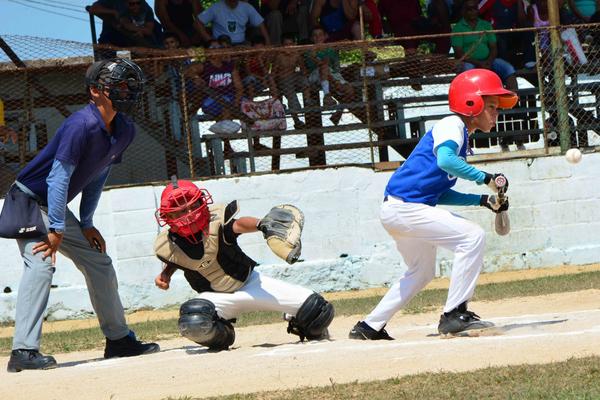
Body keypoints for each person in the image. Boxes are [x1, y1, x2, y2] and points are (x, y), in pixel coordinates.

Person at [3, 58, 160, 373]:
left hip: (54, 207)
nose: (125, 91)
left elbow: (98, 173)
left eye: (129, 85)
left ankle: (118, 340)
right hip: (30, 201)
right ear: (95, 92)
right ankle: (23, 350)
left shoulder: (125, 129)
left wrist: (86, 222)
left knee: (99, 263)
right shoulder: (81, 124)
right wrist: (58, 229)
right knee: (41, 265)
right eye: (117, 85)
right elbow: (57, 179)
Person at [349, 69, 515, 340]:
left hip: (403, 208)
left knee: (422, 272)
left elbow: (437, 194)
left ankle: (369, 326)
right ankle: (454, 315)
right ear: (472, 104)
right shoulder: (453, 125)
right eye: (492, 107)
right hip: (404, 209)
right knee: (472, 237)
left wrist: (483, 200)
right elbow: (446, 162)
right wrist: (485, 178)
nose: (497, 114)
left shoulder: (461, 135)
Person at [153, 179, 334, 350]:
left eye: (192, 207)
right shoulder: (168, 245)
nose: (188, 216)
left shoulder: (216, 224)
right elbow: (177, 259)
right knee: (193, 321)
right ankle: (222, 334)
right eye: (180, 212)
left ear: (202, 204)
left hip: (252, 284)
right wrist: (166, 275)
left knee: (318, 311)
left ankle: (295, 318)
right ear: (168, 217)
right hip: (216, 299)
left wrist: (261, 224)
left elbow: (239, 225)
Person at [304, 27, 355, 125]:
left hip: (330, 74)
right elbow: (321, 64)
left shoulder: (330, 48)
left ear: (325, 36)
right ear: (311, 38)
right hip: (316, 74)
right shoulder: (309, 50)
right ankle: (327, 96)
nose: (318, 37)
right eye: (315, 35)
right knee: (324, 67)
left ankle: (339, 112)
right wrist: (334, 81)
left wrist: (343, 43)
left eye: (320, 35)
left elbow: (347, 45)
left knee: (350, 90)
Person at [195, 0, 271, 46]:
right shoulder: (216, 7)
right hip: (221, 46)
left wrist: (268, 44)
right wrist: (210, 41)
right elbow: (197, 23)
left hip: (241, 45)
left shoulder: (247, 7)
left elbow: (261, 24)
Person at [273, 33, 309, 129]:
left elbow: (303, 70)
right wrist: (275, 85)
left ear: (294, 44)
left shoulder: (296, 54)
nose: (288, 47)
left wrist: (302, 69)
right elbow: (273, 73)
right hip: (283, 80)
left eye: (291, 44)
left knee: (305, 81)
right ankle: (297, 121)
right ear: (282, 45)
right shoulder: (279, 56)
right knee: (291, 95)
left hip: (294, 77)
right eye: (286, 44)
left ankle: (307, 101)